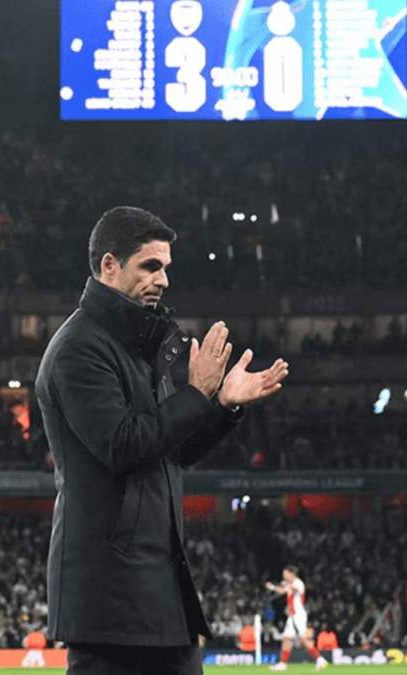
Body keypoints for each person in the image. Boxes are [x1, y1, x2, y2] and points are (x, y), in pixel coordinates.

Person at [37, 206, 289, 675]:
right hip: (111, 601)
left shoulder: (137, 349)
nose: (164, 280)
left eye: (166, 267)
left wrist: (221, 406)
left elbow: (170, 451)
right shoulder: (79, 348)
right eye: (151, 266)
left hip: (157, 593)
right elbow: (124, 445)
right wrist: (195, 393)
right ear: (109, 265)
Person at [265, 566, 328, 671]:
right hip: (292, 616)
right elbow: (282, 591)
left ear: (291, 574)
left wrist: (287, 585)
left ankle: (320, 660)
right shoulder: (291, 584)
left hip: (298, 615)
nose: (284, 576)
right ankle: (282, 664)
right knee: (286, 638)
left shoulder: (298, 582)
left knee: (303, 640)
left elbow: (294, 589)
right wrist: (272, 587)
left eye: (285, 574)